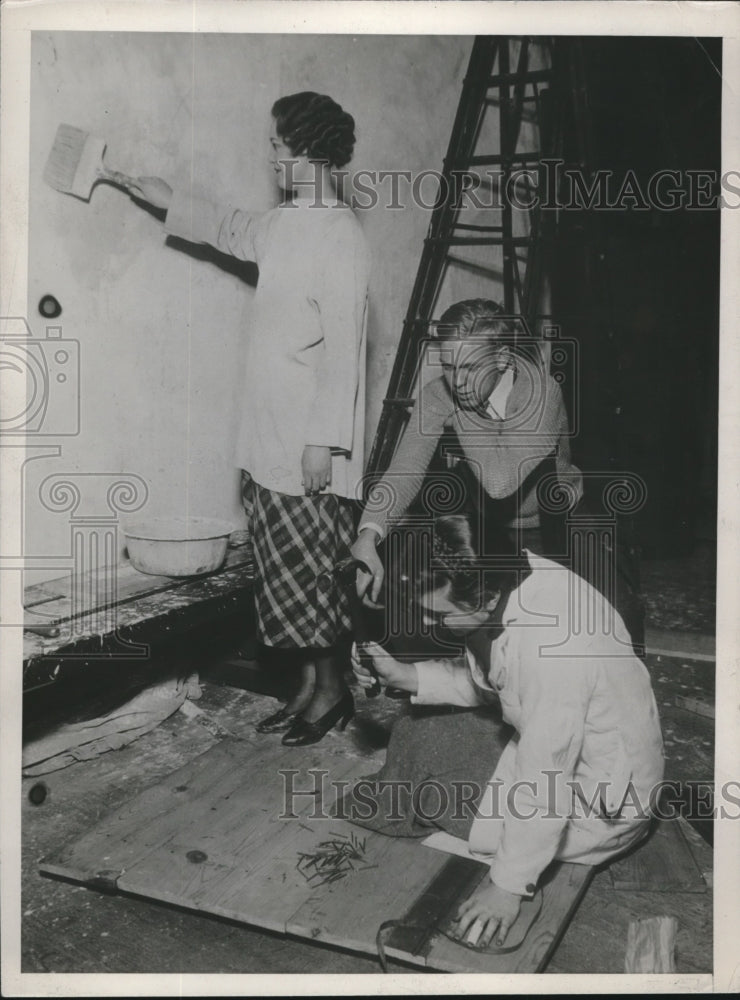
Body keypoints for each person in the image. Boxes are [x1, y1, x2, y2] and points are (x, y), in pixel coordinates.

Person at [130, 92, 369, 746]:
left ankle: (334, 691)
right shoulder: (287, 222)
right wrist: (165, 197)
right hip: (269, 436)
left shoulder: (341, 236)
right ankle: (308, 688)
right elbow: (231, 227)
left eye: (275, 144)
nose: (269, 154)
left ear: (305, 150)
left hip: (312, 446)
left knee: (316, 576)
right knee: (287, 575)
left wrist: (323, 443)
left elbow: (347, 352)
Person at [349, 513, 664, 948]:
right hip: (587, 755)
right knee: (415, 735)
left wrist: (507, 887)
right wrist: (405, 675)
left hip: (597, 805)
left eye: (436, 614)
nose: (426, 623)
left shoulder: (549, 652)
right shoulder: (515, 574)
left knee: (420, 779)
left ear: (486, 595)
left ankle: (521, 864)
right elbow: (497, 681)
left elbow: (545, 778)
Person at [351, 298, 645, 652]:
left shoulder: (542, 393)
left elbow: (501, 480)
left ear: (503, 358)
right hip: (490, 525)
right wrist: (369, 533)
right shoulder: (437, 395)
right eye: (447, 366)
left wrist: (461, 413)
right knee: (418, 593)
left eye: (471, 368)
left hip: (557, 519)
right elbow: (405, 468)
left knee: (617, 618)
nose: (457, 381)